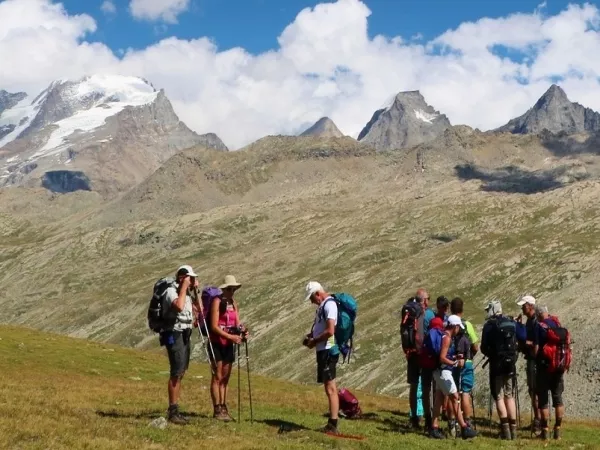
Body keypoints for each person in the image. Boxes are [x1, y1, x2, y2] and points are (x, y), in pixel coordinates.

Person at [161, 264, 201, 425]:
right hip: (174, 332)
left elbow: (200, 310)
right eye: (190, 278)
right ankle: (173, 410)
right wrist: (184, 287)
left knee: (182, 371)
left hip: (186, 333)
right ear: (182, 277)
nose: (192, 281)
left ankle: (175, 408)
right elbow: (178, 306)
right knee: (176, 371)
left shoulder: (188, 294)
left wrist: (196, 292)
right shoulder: (171, 291)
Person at [429, 315, 477, 440]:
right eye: (458, 327)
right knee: (455, 397)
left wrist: (452, 358)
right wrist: (454, 363)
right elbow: (442, 357)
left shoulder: (444, 335)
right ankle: (464, 427)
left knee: (439, 397)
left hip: (439, 371)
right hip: (443, 371)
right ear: (455, 326)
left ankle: (434, 427)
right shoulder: (447, 338)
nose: (458, 330)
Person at [303, 281, 340, 434]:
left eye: (312, 298)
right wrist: (312, 337)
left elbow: (330, 330)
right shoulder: (323, 306)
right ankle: (332, 423)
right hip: (323, 349)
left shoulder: (329, 305)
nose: (312, 302)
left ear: (318, 294)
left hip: (328, 350)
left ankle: (333, 424)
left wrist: (315, 341)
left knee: (331, 388)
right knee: (328, 386)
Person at [208, 275, 246, 421]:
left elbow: (237, 323)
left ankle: (223, 406)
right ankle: (217, 408)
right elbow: (213, 326)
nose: (232, 291)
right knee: (217, 376)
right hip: (217, 342)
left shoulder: (233, 303)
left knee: (225, 377)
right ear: (224, 289)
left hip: (229, 344)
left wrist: (242, 331)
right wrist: (230, 337)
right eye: (230, 289)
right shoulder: (217, 302)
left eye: (234, 289)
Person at [481, 300, 518, 440]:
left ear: (492, 310)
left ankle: (505, 431)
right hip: (510, 365)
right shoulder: (510, 323)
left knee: (499, 396)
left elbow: (484, 347)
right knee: (510, 395)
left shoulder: (489, 326)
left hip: (496, 365)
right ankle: (514, 431)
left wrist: (491, 353)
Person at [404, 288, 435, 430]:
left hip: (411, 354)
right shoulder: (426, 314)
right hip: (423, 354)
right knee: (426, 387)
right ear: (424, 300)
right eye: (428, 298)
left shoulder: (409, 311)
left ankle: (414, 418)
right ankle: (428, 420)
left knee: (414, 386)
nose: (429, 301)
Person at [534, 305, 565, 441]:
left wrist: (534, 356)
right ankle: (557, 430)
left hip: (544, 367)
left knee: (543, 400)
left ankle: (545, 431)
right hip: (558, 366)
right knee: (558, 398)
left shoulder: (539, 326)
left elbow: (536, 348)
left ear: (539, 315)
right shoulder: (556, 323)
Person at [450, 297, 479, 430]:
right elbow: (475, 346)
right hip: (466, 362)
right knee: (465, 392)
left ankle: (452, 421)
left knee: (452, 393)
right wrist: (470, 356)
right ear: (462, 309)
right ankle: (467, 422)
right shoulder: (467, 325)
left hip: (452, 362)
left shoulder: (448, 323)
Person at [516, 295, 541, 435]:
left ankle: (538, 422)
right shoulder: (531, 321)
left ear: (530, 306)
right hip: (532, 359)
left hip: (535, 360)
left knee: (534, 390)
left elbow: (536, 343)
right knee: (533, 390)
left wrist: (526, 343)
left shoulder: (535, 322)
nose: (522, 308)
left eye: (524, 305)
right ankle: (538, 419)